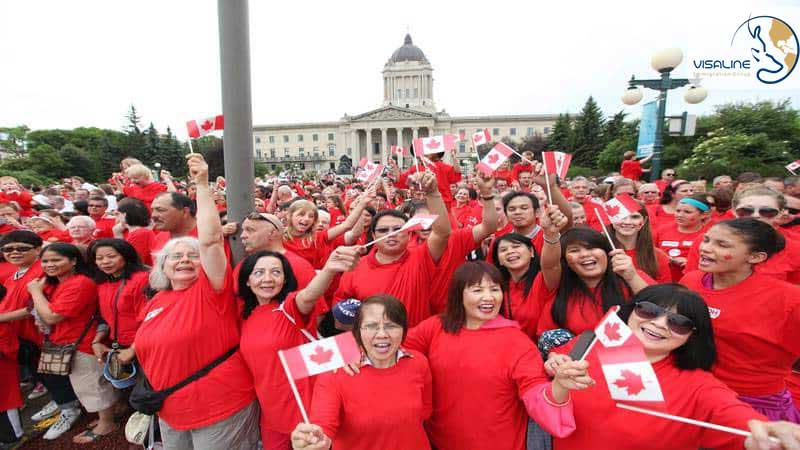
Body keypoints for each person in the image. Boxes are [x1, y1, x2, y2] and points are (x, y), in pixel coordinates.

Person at [546, 283, 800, 450]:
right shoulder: (589, 343)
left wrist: (764, 430)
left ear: (693, 335)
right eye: (648, 310)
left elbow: (733, 415)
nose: (659, 323)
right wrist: (553, 363)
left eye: (678, 322)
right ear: (631, 311)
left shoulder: (698, 386)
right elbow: (555, 364)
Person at [132, 154, 259, 449]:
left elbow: (211, 240)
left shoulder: (211, 291)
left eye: (193, 256)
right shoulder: (157, 300)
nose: (185, 260)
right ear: (162, 266)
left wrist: (201, 184)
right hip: (170, 406)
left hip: (218, 406)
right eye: (176, 256)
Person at [402, 262, 579, 450]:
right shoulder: (435, 327)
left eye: (495, 289)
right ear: (458, 294)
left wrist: (559, 386)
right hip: (437, 441)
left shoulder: (517, 342)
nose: (489, 297)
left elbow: (535, 392)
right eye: (477, 290)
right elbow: (397, 351)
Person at [237, 246, 360, 449]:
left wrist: (329, 269)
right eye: (259, 273)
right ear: (247, 280)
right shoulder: (245, 316)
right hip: (271, 416)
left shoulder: (289, 307)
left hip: (307, 412)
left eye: (276, 272)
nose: (267, 278)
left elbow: (309, 296)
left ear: (285, 279)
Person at [681, 218, 800, 422]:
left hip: (755, 406)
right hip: (693, 394)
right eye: (706, 240)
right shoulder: (690, 281)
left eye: (722, 244)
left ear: (755, 257)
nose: (705, 249)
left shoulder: (789, 300)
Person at [290, 295, 432, 450]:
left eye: (391, 326)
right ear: (358, 331)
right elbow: (323, 428)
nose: (382, 334)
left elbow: (425, 412)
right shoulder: (336, 372)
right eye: (371, 326)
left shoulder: (418, 362)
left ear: (404, 329)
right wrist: (315, 440)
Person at [27, 243, 120, 443]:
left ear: (74, 261)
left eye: (56, 260)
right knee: (89, 384)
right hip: (69, 341)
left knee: (91, 385)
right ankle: (106, 416)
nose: (50, 265)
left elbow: (51, 316)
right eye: (45, 261)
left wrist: (35, 291)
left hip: (82, 343)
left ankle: (107, 424)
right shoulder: (60, 282)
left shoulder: (79, 283)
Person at [334, 171, 451, 327]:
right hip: (374, 346)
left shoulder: (422, 257)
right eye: (383, 231)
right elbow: (340, 320)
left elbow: (442, 232)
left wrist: (433, 192)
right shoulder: (354, 267)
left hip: (415, 345)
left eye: (398, 230)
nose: (391, 235)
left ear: (409, 234)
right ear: (374, 237)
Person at [535, 223, 653, 345]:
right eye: (575, 250)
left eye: (591, 248)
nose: (585, 254)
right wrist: (554, 356)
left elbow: (661, 311)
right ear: (565, 261)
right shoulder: (559, 288)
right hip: (578, 362)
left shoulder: (633, 276)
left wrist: (632, 277)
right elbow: (549, 340)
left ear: (608, 252)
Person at [685, 187, 800, 283]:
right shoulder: (707, 241)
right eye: (746, 211)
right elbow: (693, 281)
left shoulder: (795, 249)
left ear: (780, 213)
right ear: (734, 211)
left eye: (767, 211)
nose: (755, 215)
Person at [87, 239, 149, 372]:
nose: (105, 262)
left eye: (111, 256)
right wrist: (97, 341)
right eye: (99, 258)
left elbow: (150, 319)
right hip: (118, 345)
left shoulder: (141, 279)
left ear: (126, 256)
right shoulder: (102, 283)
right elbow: (104, 317)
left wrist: (133, 348)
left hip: (143, 345)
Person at [652, 194, 712, 281]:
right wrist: (663, 258)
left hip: (693, 283)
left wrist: (690, 262)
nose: (680, 215)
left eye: (687, 212)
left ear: (703, 215)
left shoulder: (709, 234)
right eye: (678, 211)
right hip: (664, 282)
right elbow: (649, 253)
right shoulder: (661, 230)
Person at [607, 202, 671, 283]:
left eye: (635, 217)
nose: (627, 222)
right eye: (621, 216)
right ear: (611, 220)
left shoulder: (658, 256)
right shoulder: (600, 252)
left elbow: (665, 292)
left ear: (644, 221)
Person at [112, 197, 157, 266]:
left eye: (117, 214)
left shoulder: (141, 233)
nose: (115, 217)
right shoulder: (130, 231)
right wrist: (117, 232)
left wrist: (117, 234)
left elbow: (129, 262)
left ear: (125, 215)